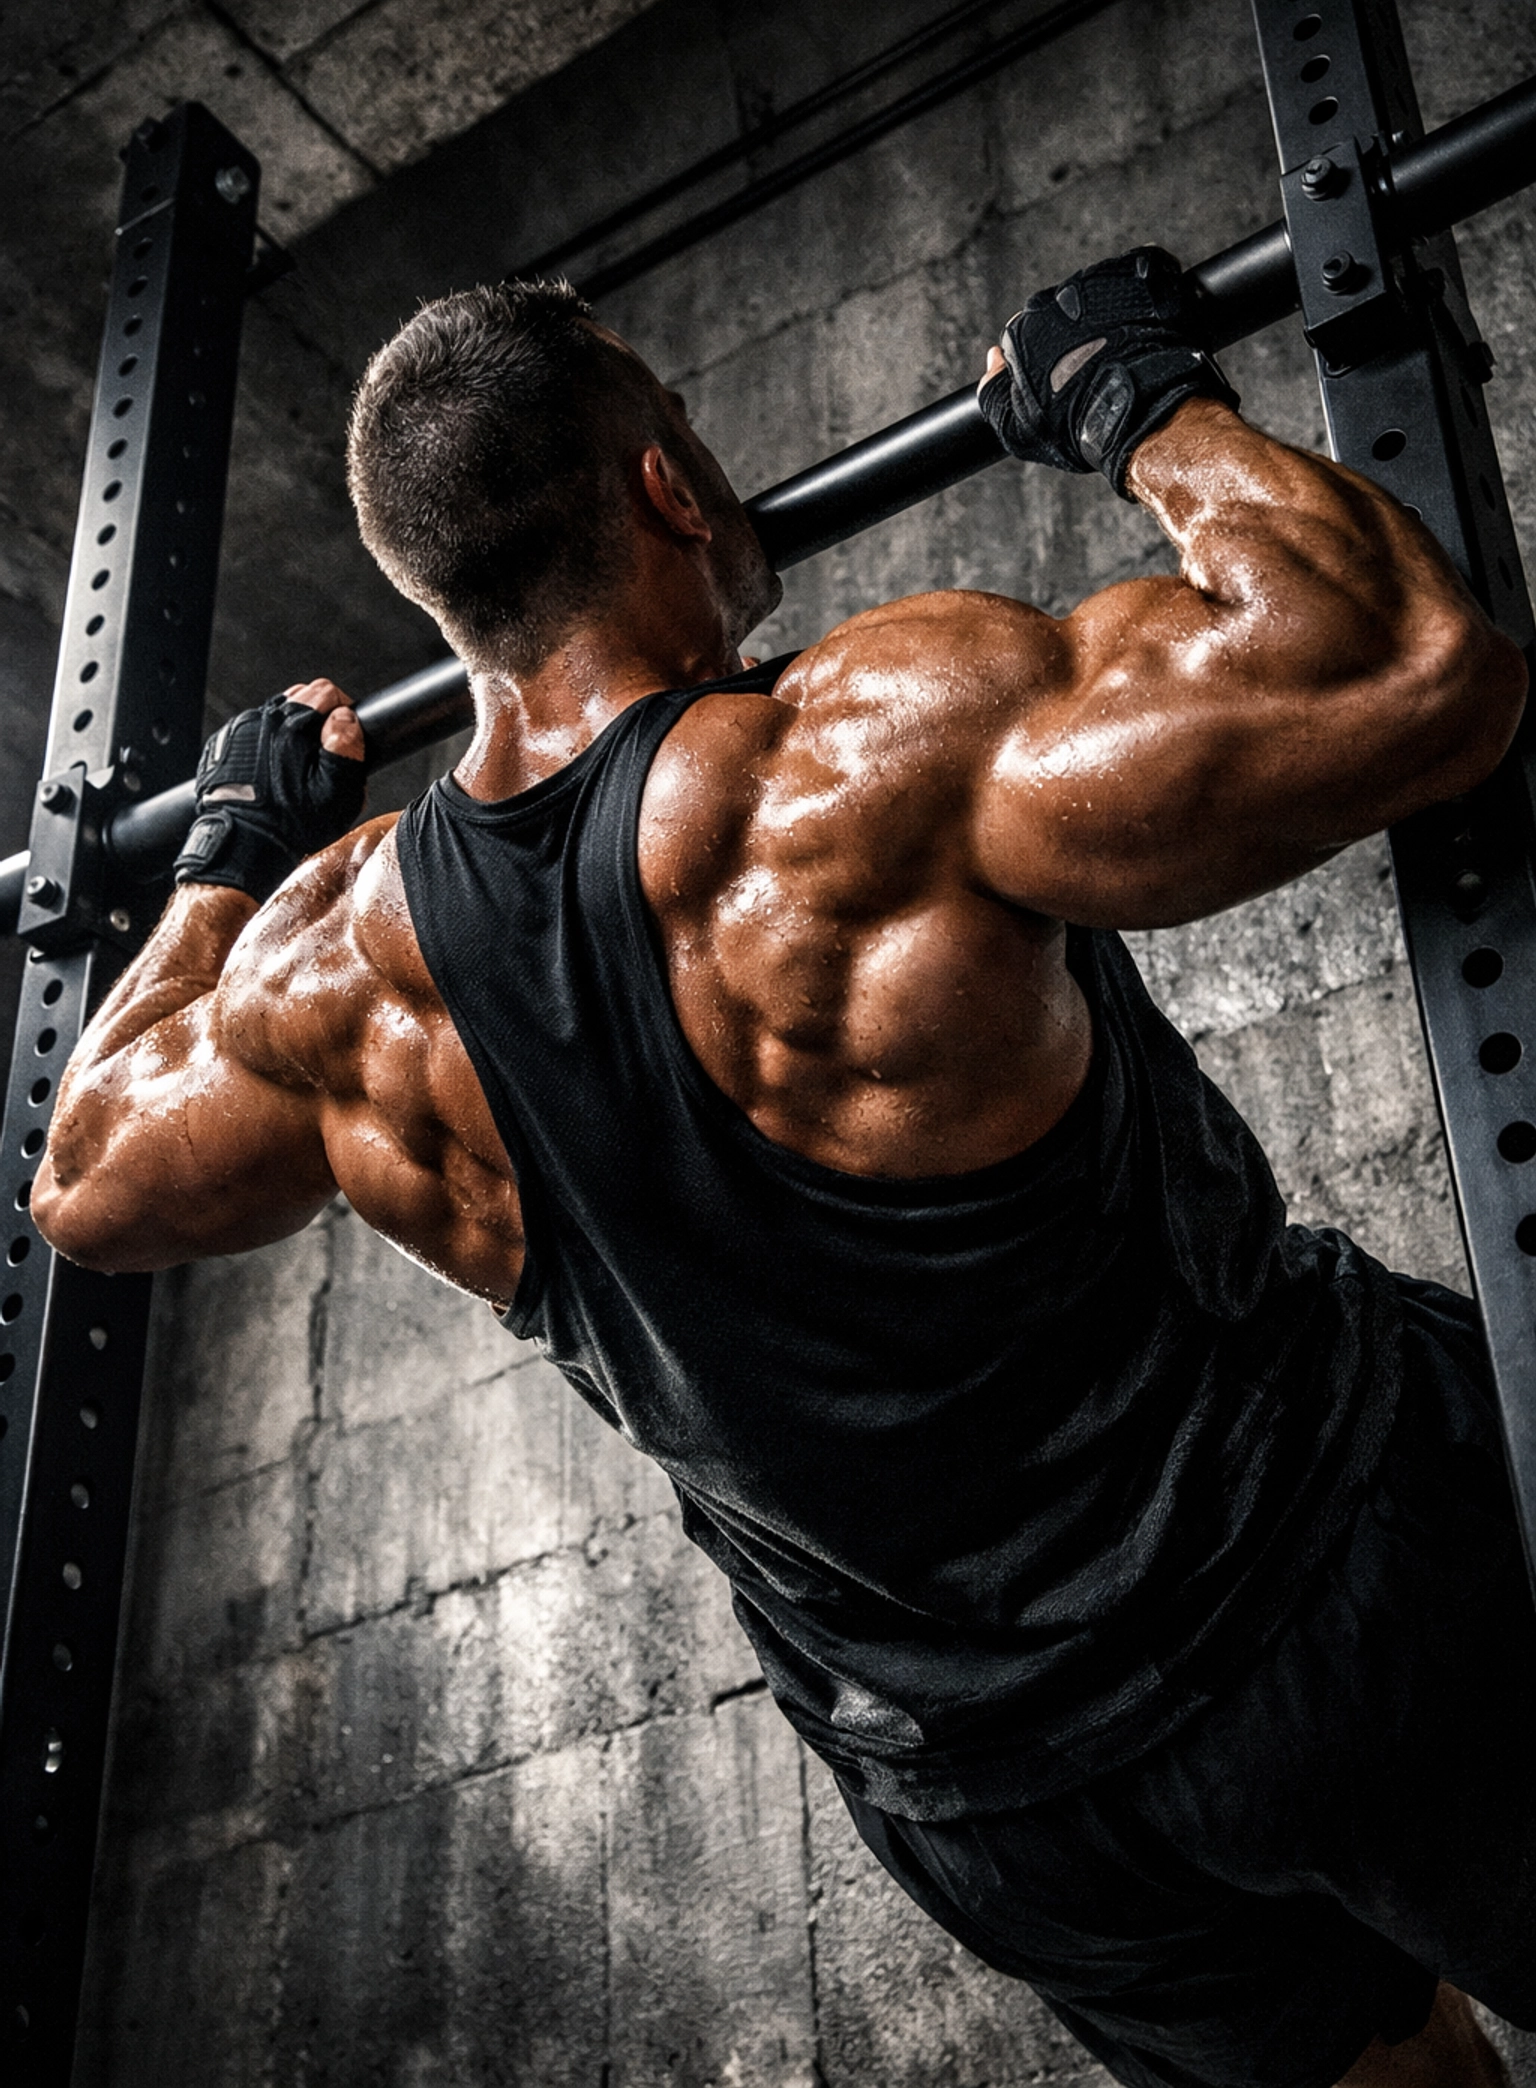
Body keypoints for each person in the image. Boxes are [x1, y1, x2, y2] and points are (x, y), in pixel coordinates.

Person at [34, 258, 1533, 2088]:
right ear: (666, 479)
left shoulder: (335, 974)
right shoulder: (848, 754)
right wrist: (1148, 403)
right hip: (1343, 1578)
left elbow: (86, 1180)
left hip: (1006, 1818)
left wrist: (225, 857)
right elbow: (1407, 671)